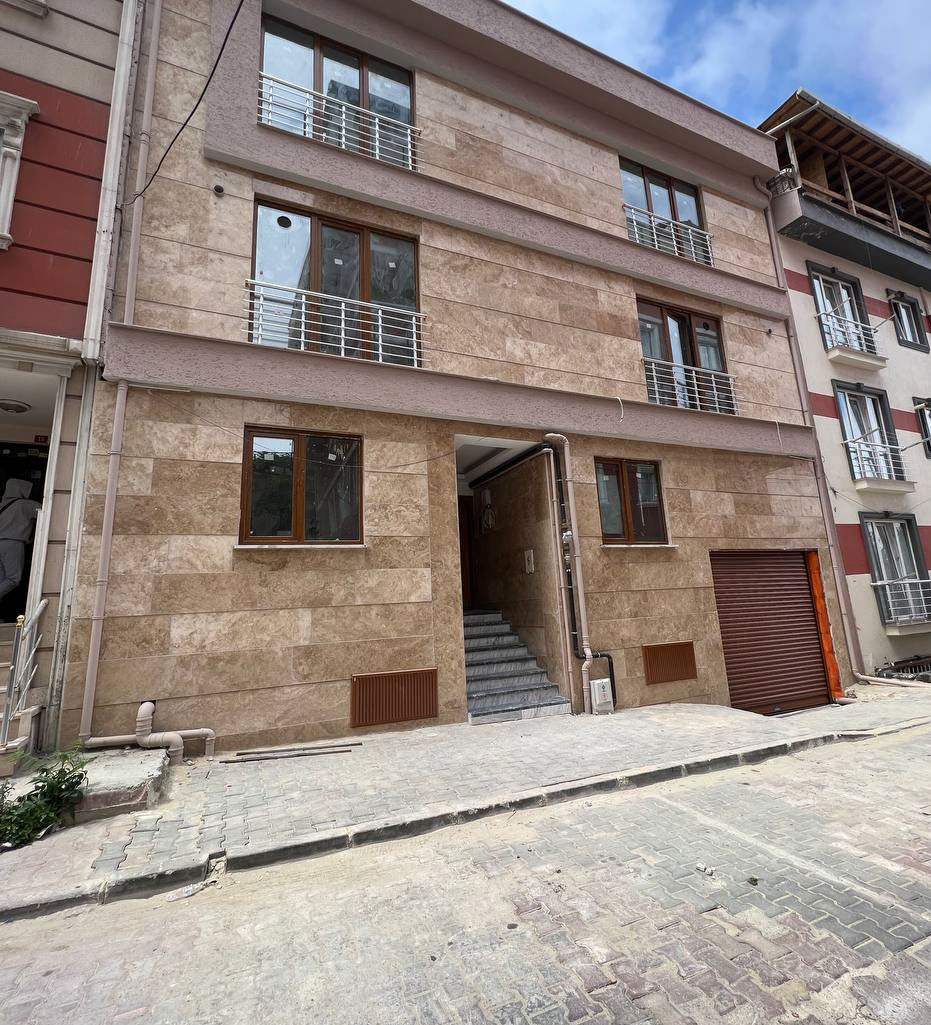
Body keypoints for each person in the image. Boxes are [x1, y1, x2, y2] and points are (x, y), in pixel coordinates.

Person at [0, 479, 41, 604]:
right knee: (13, 579)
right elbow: (46, 510)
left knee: (2, 579)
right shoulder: (24, 504)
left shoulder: (2, 505)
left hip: (1, 543)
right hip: (13, 543)